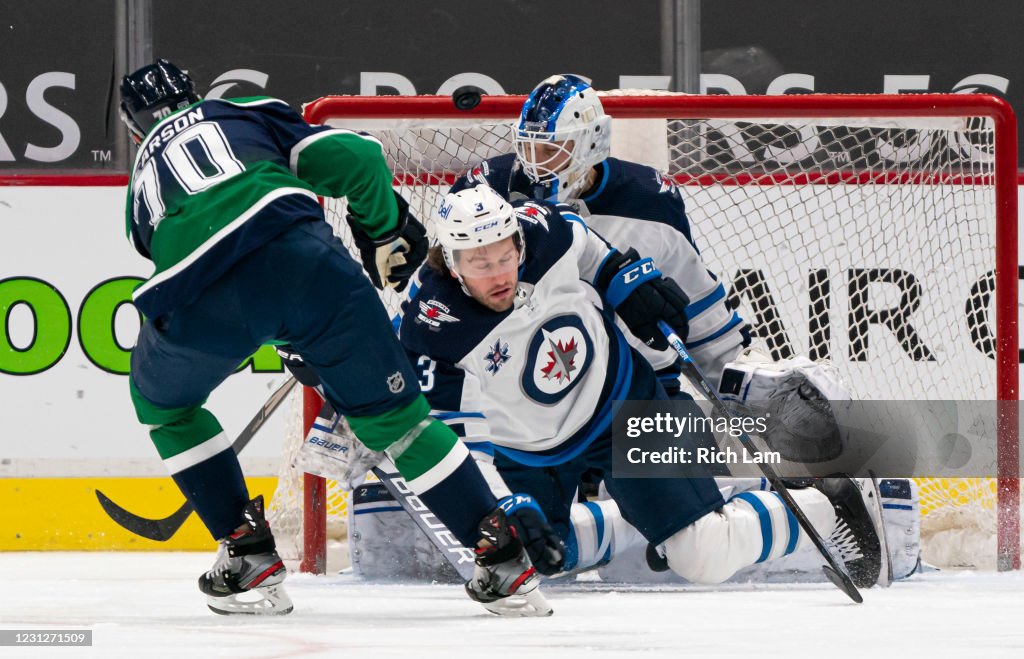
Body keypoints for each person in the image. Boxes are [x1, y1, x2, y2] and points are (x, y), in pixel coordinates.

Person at [119, 59, 558, 616]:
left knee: (166, 409)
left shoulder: (138, 184)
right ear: (196, 93)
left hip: (199, 291)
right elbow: (361, 158)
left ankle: (245, 550)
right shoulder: (240, 112)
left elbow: (204, 250)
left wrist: (278, 330)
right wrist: (383, 229)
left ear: (135, 130)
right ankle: (504, 562)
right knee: (401, 423)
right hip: (309, 265)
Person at [397, 183, 885, 588]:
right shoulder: (431, 328)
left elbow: (589, 250)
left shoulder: (542, 231)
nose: (500, 274)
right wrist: (504, 503)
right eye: (480, 265)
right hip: (526, 453)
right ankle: (642, 521)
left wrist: (623, 281)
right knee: (526, 562)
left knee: (703, 558)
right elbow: (463, 444)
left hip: (622, 407)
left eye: (506, 256)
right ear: (449, 260)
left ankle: (824, 503)